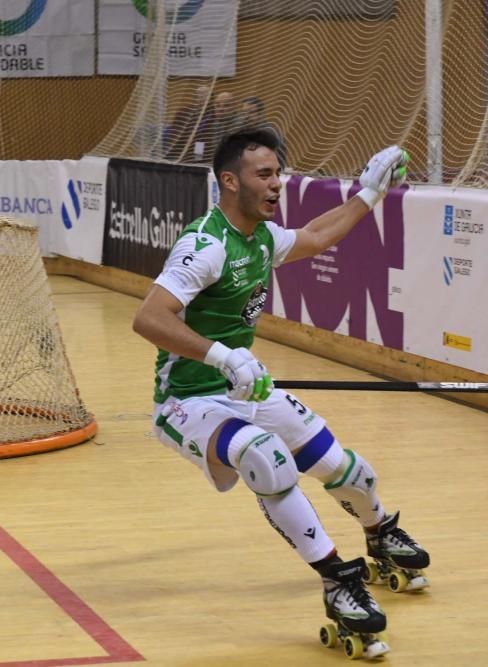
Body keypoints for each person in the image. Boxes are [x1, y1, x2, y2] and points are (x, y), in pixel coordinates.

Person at [132, 129, 428, 657]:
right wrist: (224, 356)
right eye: (263, 175)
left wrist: (369, 193)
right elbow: (148, 317)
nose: (276, 185)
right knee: (267, 460)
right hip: (187, 401)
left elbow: (315, 237)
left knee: (350, 472)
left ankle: (380, 533)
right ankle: (338, 580)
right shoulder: (205, 244)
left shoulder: (263, 238)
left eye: (278, 173)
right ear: (229, 181)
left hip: (247, 386)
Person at [238, 96, 288, 168]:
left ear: (261, 114)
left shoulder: (269, 132)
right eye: (244, 113)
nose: (246, 116)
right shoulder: (243, 131)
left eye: (251, 112)